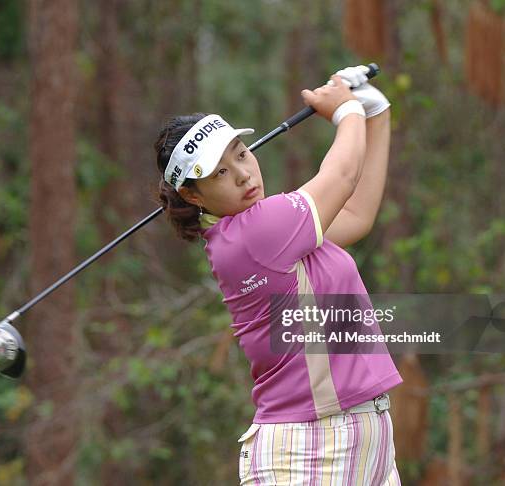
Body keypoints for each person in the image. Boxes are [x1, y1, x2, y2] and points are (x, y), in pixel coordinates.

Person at [154, 66, 403, 485]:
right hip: (309, 451)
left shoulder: (270, 232)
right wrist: (346, 112)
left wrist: (373, 114)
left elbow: (356, 215)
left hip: (365, 439)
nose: (243, 174)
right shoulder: (257, 232)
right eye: (219, 172)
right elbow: (341, 176)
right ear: (193, 196)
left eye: (241, 153)